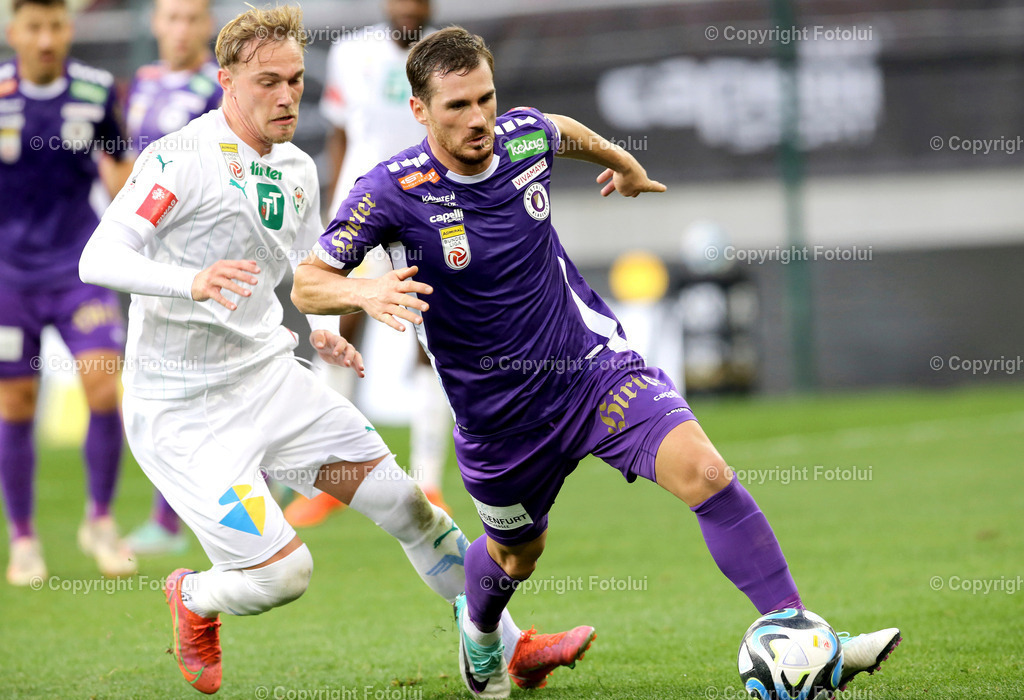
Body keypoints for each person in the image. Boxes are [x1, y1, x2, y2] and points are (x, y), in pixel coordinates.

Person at [291, 27, 903, 699]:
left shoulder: (520, 136)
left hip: (590, 371)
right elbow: (308, 282)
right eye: (457, 107)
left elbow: (556, 128)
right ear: (419, 112)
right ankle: (483, 635)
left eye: (485, 100)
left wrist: (622, 162)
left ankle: (801, 635)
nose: (478, 120)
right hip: (498, 418)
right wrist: (364, 289)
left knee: (706, 472)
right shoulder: (390, 191)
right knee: (515, 554)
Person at [80, 7, 593, 695]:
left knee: (411, 508)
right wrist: (191, 281)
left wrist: (325, 325)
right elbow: (100, 258)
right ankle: (196, 596)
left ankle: (505, 645)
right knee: (283, 574)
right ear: (226, 79)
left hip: (269, 381)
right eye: (269, 82)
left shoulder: (293, 167)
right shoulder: (178, 160)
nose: (288, 96)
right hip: (183, 412)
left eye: (295, 79)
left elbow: (303, 268)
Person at [284, 0, 450, 529]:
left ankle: (428, 480)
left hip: (430, 215)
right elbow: (340, 135)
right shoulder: (353, 53)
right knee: (342, 330)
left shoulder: (451, 54)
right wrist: (332, 211)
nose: (408, 7)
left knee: (436, 342)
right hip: (364, 211)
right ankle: (331, 478)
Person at [0, 0, 136, 585]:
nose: (46, 38)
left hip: (77, 267)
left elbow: (118, 163)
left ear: (69, 28)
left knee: (104, 383)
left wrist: (131, 229)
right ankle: (24, 539)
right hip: (8, 276)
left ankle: (100, 521)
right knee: (16, 403)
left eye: (56, 25)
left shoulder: (97, 88)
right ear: (14, 32)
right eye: (34, 27)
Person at [121, 0, 222, 556]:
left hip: (198, 258)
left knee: (180, 383)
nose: (181, 28)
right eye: (172, 17)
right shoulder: (141, 83)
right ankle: (271, 467)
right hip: (147, 255)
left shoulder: (216, 90)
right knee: (165, 378)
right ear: (156, 24)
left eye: (191, 18)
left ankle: (167, 519)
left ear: (207, 26)